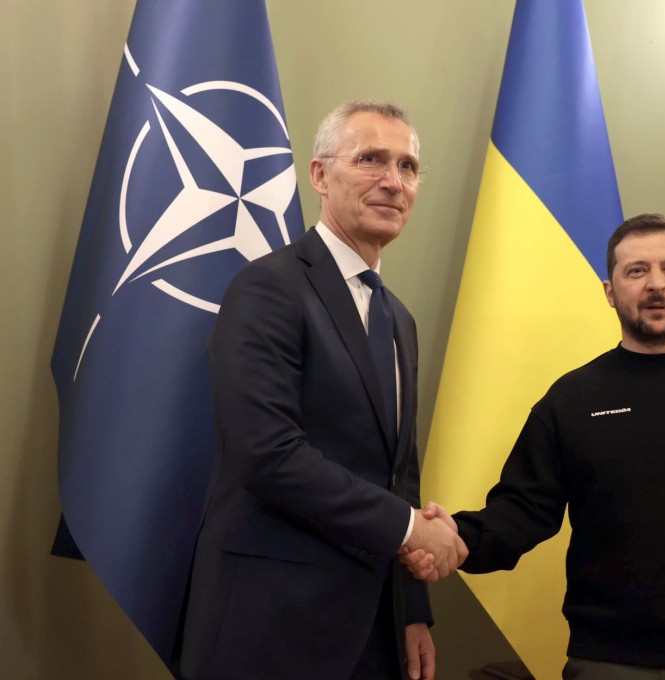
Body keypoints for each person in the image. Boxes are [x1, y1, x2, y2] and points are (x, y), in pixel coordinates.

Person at [404, 214, 665, 679]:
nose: (656, 284)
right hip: (603, 661)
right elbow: (522, 511)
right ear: (609, 291)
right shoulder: (572, 399)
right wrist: (458, 539)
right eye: (637, 271)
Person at [179, 101, 467, 680]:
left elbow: (399, 473)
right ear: (319, 175)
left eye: (408, 167)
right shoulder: (267, 288)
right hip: (270, 622)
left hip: (372, 631)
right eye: (370, 160)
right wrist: (412, 528)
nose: (393, 181)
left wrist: (411, 608)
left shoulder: (398, 319)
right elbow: (266, 453)